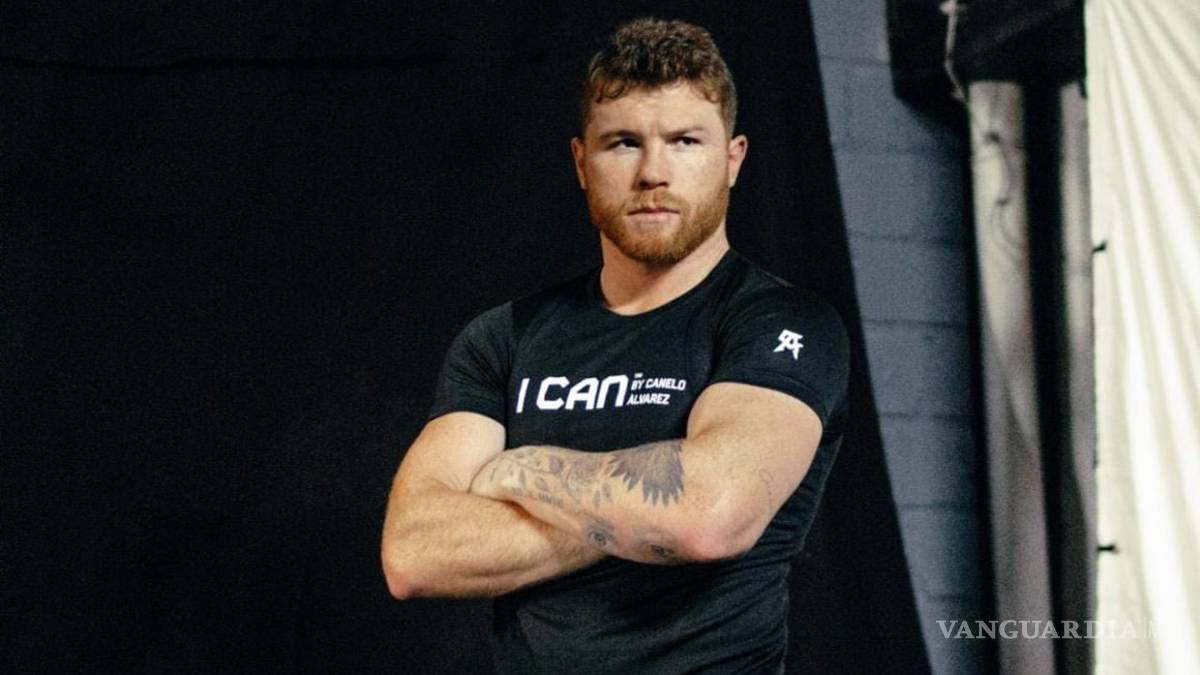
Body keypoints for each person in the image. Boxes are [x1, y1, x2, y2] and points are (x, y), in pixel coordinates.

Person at [381, 17, 849, 674]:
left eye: (685, 141)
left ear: (733, 158)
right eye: (624, 143)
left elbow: (708, 517)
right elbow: (413, 552)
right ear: (581, 162)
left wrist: (515, 472)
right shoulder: (504, 338)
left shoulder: (779, 323)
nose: (653, 172)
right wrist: (650, 504)